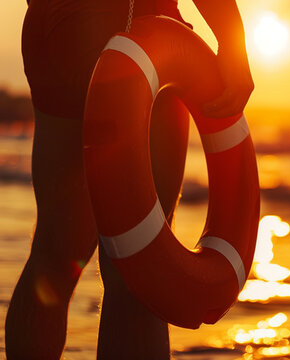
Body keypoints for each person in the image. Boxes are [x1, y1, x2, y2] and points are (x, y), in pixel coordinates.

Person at [5, 0, 254, 358]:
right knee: (141, 276)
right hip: (128, 21)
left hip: (52, 24)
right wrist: (232, 38)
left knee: (54, 255)